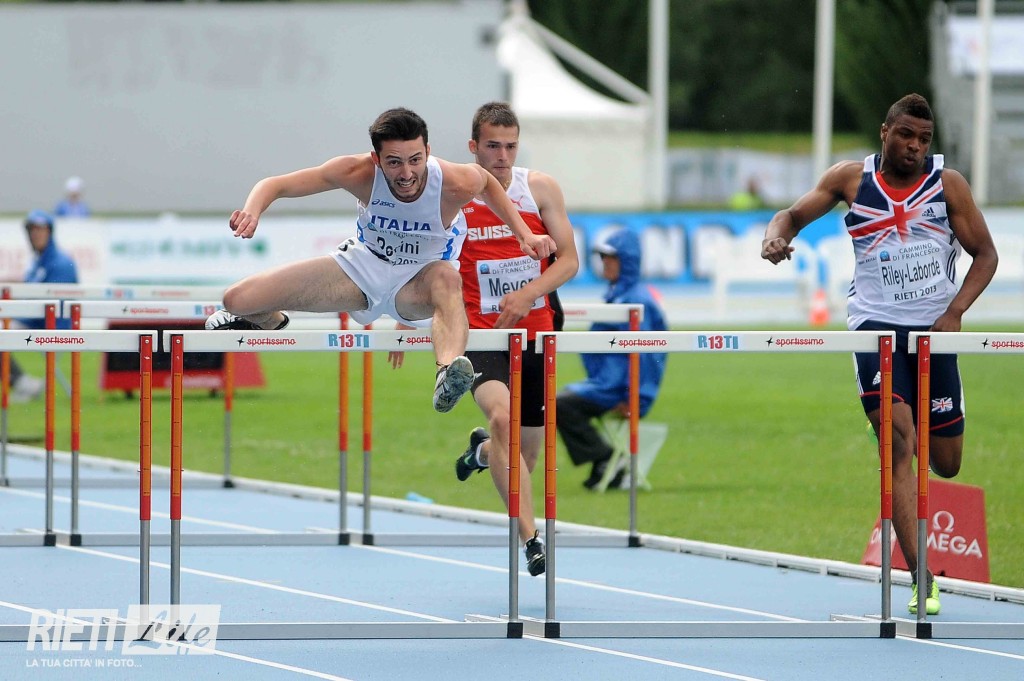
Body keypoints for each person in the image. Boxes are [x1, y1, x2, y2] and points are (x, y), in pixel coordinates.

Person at [761, 93, 998, 616]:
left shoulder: (948, 184)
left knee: (947, 463)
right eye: (906, 135)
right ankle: (921, 577)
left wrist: (955, 311)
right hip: (875, 329)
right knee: (899, 444)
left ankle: (898, 423)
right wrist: (774, 238)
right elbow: (791, 216)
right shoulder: (850, 180)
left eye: (924, 140)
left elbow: (986, 254)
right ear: (885, 131)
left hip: (934, 331)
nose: (914, 147)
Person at [205, 107, 555, 414]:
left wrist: (525, 234)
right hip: (363, 268)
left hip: (421, 279)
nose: (406, 174)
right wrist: (252, 211)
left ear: (428, 152)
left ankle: (447, 373)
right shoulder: (356, 172)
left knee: (448, 278)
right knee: (236, 300)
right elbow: (275, 184)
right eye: (394, 162)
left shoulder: (455, 180)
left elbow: (489, 185)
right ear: (376, 159)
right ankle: (272, 319)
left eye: (415, 160)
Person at [440, 101, 578, 576]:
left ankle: (479, 454)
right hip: (480, 336)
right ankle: (531, 541)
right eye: (492, 146)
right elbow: (429, 261)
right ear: (473, 147)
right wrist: (407, 319)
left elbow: (568, 261)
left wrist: (527, 295)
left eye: (510, 146)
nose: (502, 156)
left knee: (525, 457)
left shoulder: (539, 188)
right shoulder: (453, 194)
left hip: (535, 334)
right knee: (502, 419)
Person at [555, 228, 668, 490]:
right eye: (602, 257)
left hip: (615, 389)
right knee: (557, 401)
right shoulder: (619, 295)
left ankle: (606, 459)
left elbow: (648, 354)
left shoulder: (636, 300)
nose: (604, 262)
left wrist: (638, 399)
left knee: (559, 404)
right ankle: (605, 463)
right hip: (606, 383)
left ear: (627, 260)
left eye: (611, 257)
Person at [8, 210, 79, 402]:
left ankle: (22, 383)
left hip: (53, 326)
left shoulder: (60, 263)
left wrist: (12, 312)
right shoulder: (39, 261)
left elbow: (54, 307)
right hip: (35, 321)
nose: (35, 234)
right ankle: (22, 382)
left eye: (40, 229)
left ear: (49, 232)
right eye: (32, 230)